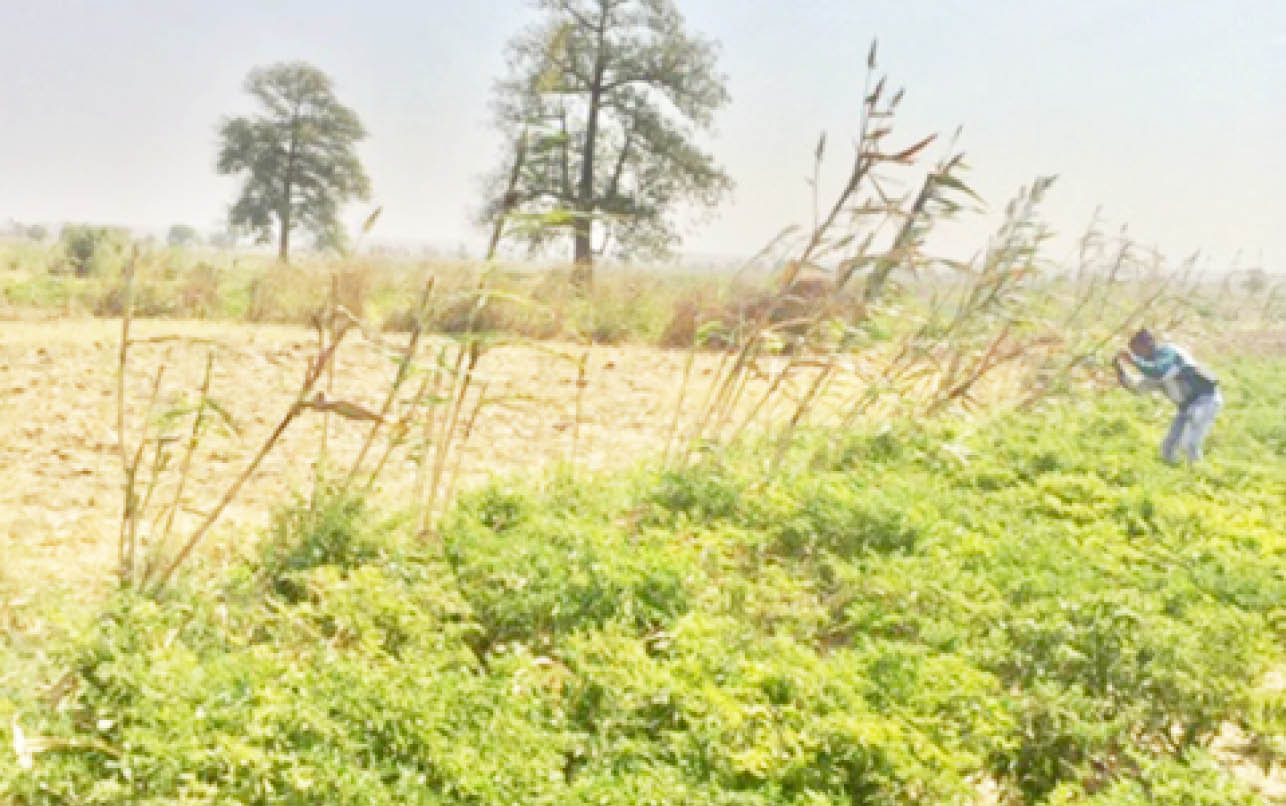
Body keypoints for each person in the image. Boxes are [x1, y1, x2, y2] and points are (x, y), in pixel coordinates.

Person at [1114, 329, 1222, 464]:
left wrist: (1133, 360)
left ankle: (1199, 476)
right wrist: (1119, 368)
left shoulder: (1168, 353)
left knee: (1189, 444)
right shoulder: (1152, 367)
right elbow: (1136, 388)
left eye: (1137, 351)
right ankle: (1174, 473)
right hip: (1186, 406)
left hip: (1206, 399)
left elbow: (1160, 372)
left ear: (1148, 344)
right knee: (1168, 447)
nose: (1137, 355)